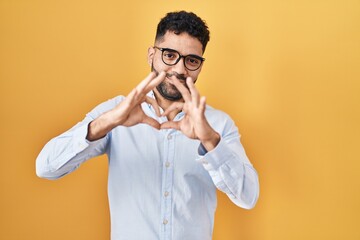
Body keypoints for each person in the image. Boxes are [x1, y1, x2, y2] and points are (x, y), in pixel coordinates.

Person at [36, 11, 259, 240]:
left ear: (200, 66)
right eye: (170, 55)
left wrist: (210, 141)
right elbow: (46, 167)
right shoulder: (116, 112)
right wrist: (109, 121)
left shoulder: (218, 125)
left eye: (191, 60)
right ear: (152, 55)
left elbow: (248, 197)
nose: (180, 70)